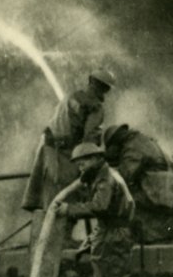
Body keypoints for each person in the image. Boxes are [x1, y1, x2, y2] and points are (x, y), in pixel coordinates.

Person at [54, 142, 136, 277]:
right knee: (112, 275)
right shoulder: (107, 174)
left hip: (112, 233)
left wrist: (68, 210)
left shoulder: (104, 179)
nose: (80, 168)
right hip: (115, 230)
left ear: (95, 159)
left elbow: (100, 206)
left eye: (82, 164)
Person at [21, 69, 116, 213]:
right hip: (65, 158)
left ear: (90, 81)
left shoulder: (71, 97)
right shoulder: (95, 107)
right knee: (66, 202)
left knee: (48, 201)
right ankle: (59, 234)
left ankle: (47, 233)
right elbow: (89, 141)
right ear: (106, 89)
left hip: (46, 153)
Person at [100, 124, 173, 243]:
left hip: (169, 217)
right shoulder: (142, 141)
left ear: (116, 142)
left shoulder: (134, 147)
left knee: (120, 199)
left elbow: (123, 177)